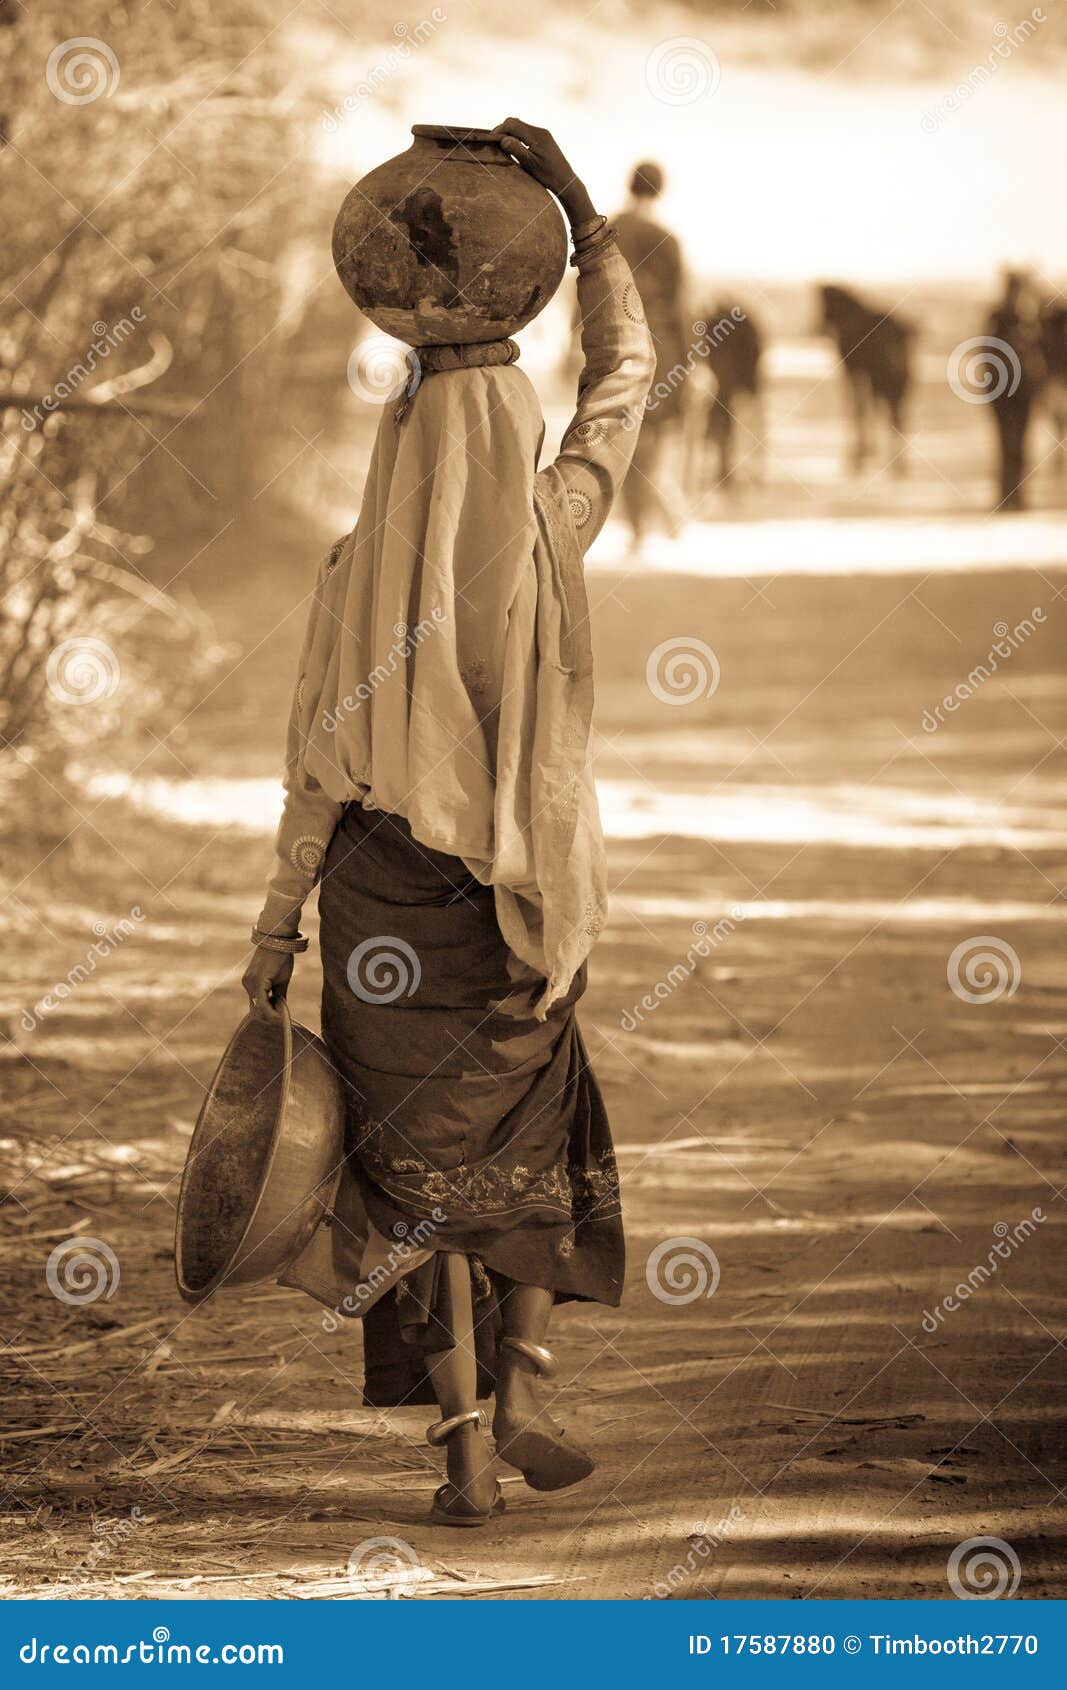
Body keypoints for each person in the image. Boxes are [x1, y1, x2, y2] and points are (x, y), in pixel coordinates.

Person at [242, 120, 655, 1527]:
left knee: (401, 1166)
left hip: (376, 900)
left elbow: (310, 770)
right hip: (515, 902)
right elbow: (623, 382)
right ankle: (528, 1373)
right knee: (536, 1128)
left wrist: (277, 926)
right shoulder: (554, 527)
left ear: (397, 448)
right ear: (511, 434)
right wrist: (586, 225)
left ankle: (465, 1443)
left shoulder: (351, 567)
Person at [612, 161, 690, 550]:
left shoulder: (606, 232)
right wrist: (692, 360)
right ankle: (661, 516)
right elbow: (679, 306)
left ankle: (643, 524)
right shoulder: (665, 239)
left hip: (611, 346)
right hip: (658, 349)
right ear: (658, 191)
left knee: (622, 436)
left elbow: (585, 292)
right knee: (653, 438)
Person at [985, 269, 1045, 512]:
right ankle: (1009, 495)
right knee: (1009, 444)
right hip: (1005, 395)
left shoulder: (1028, 321)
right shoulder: (1003, 319)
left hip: (1020, 393)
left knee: (1017, 445)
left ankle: (1015, 495)